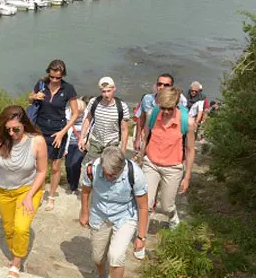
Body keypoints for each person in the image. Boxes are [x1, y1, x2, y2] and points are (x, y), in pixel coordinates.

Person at [0, 106, 48, 278]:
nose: (11, 133)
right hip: (4, 190)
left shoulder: (37, 141)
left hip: (28, 190)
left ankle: (16, 264)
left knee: (21, 227)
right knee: (9, 229)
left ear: (24, 125)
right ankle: (15, 252)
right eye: (8, 129)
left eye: (16, 129)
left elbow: (42, 171)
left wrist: (30, 196)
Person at [80, 146, 148, 278]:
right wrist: (84, 211)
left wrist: (141, 237)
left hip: (125, 216)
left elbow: (143, 206)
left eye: (114, 175)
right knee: (97, 257)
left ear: (122, 168)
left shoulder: (135, 173)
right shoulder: (91, 169)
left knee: (116, 255)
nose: (110, 178)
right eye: (107, 174)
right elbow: (86, 191)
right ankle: (102, 275)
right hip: (99, 214)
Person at [139, 87, 196, 229]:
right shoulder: (152, 114)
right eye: (162, 107)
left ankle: (173, 217)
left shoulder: (187, 122)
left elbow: (190, 150)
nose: (165, 112)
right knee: (145, 202)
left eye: (169, 109)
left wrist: (187, 177)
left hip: (173, 168)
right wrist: (141, 158)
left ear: (176, 105)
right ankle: (141, 236)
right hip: (151, 164)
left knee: (166, 206)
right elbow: (145, 138)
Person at [27, 59, 79, 210]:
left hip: (58, 131)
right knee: (39, 165)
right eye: (52, 77)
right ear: (48, 73)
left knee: (55, 166)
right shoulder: (41, 84)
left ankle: (51, 197)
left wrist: (62, 132)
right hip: (40, 129)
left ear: (62, 76)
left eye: (58, 77)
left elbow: (75, 113)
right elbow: (30, 97)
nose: (55, 80)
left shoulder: (68, 89)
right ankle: (40, 192)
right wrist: (34, 97)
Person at [79, 77, 130, 170]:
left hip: (112, 142)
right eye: (103, 91)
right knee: (92, 167)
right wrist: (81, 138)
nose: (106, 94)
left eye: (109, 91)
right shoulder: (93, 102)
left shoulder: (122, 107)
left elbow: (124, 129)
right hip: (96, 141)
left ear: (114, 89)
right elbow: (87, 120)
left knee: (109, 168)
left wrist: (123, 149)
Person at [133, 73, 188, 151]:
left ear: (172, 87)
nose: (162, 87)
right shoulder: (147, 99)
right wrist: (137, 138)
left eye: (166, 85)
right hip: (147, 137)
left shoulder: (178, 103)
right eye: (159, 84)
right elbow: (141, 118)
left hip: (167, 141)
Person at [64, 97, 88, 194]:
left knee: (75, 163)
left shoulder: (87, 115)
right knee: (68, 165)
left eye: (81, 112)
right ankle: (70, 182)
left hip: (81, 144)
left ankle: (74, 186)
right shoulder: (66, 115)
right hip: (68, 144)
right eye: (78, 112)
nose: (79, 114)